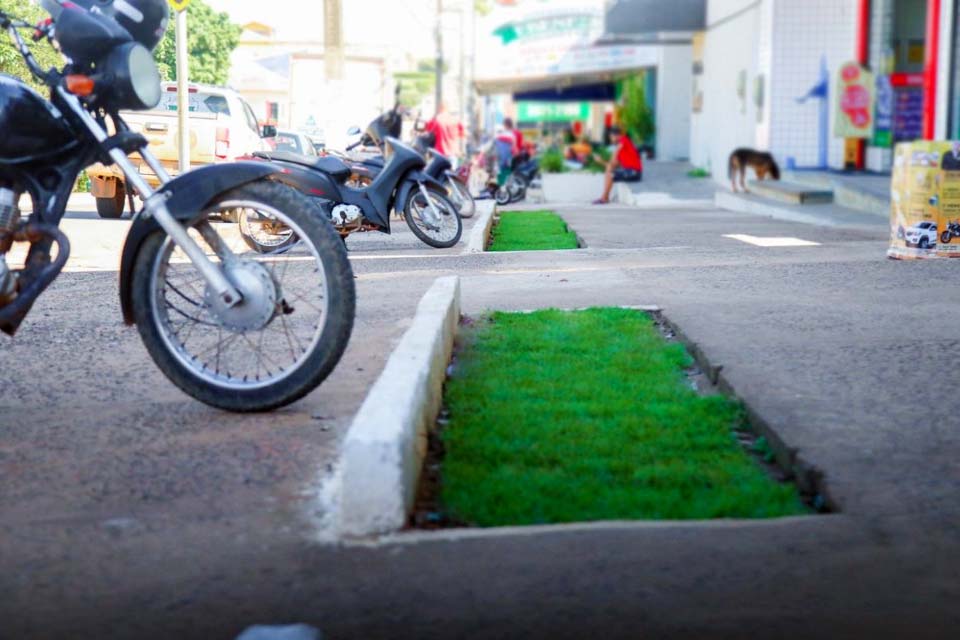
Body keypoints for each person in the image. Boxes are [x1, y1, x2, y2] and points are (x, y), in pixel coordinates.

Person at [593, 127, 643, 205]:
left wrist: (613, 155)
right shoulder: (621, 152)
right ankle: (605, 197)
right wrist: (600, 161)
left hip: (634, 172)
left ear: (615, 135)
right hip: (629, 172)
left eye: (611, 137)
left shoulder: (624, 139)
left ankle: (604, 198)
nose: (611, 140)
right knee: (609, 171)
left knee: (610, 174)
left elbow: (616, 153)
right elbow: (611, 165)